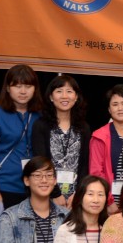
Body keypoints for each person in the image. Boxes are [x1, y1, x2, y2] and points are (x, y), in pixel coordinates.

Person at [0, 64, 42, 207]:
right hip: (4, 186)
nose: (23, 91)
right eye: (17, 86)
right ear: (8, 88)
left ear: (35, 89)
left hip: (36, 187)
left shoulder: (41, 115)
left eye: (28, 86)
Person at [31, 74, 90, 210]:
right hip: (47, 193)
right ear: (51, 97)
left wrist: (78, 194)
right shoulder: (41, 125)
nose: (64, 96)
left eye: (69, 91)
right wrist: (55, 193)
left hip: (75, 198)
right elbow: (40, 162)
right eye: (59, 91)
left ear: (76, 97)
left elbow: (85, 165)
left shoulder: (83, 128)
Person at [89, 84, 123, 214]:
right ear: (109, 109)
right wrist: (109, 201)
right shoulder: (99, 136)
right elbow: (96, 172)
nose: (120, 108)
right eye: (115, 104)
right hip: (107, 203)